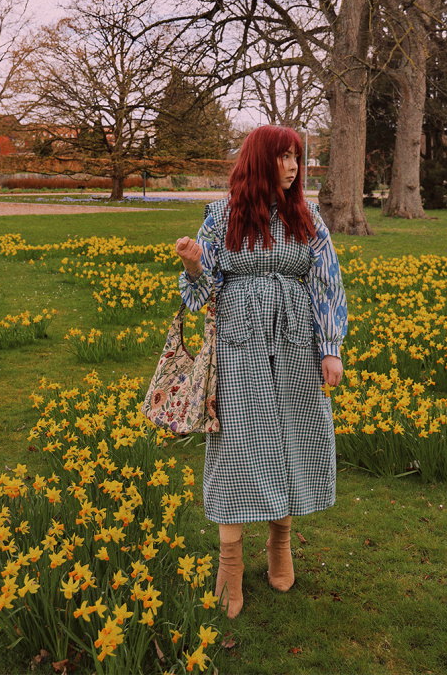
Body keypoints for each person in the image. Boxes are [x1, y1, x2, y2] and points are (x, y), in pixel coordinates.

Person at [175, 125, 347, 618]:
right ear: (258, 161)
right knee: (238, 448)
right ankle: (229, 562)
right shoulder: (222, 217)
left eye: (297, 157)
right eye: (284, 158)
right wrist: (192, 265)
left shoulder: (307, 216)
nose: (294, 167)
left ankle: (280, 543)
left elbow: (327, 281)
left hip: (295, 347)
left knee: (291, 437)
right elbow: (200, 291)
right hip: (239, 349)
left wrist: (330, 348)